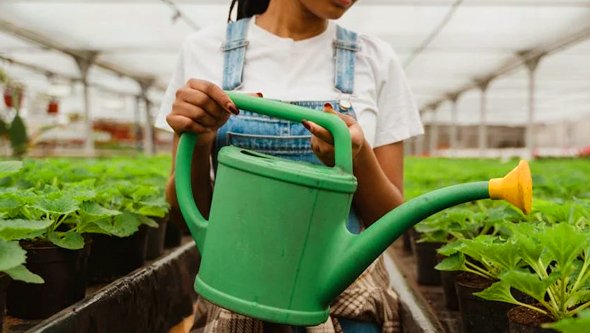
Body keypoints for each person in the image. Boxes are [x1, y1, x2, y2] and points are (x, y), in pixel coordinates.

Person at [155, 0, 424, 332]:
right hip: (238, 295)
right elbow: (184, 215)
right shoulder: (206, 50)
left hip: (345, 298)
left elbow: (389, 223)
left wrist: (356, 156)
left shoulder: (375, 58)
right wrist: (201, 140)